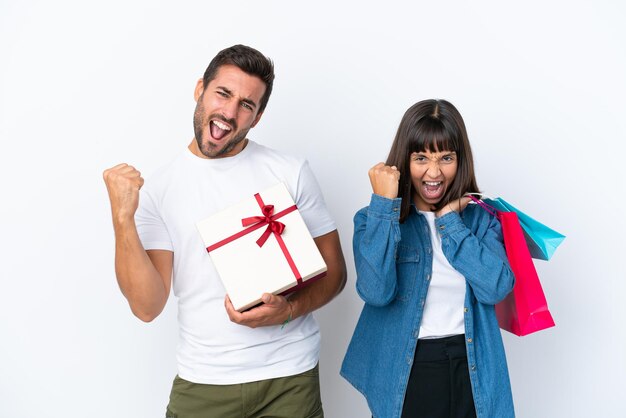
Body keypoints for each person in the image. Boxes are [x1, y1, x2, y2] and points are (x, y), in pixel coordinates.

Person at [103, 44, 346, 418]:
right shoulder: (159, 190)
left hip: (290, 378)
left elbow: (335, 272)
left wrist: (289, 310)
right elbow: (147, 306)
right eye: (223, 93)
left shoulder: (290, 170)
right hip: (204, 381)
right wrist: (123, 218)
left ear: (258, 117)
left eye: (246, 105)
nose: (230, 113)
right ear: (200, 89)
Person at [340, 99, 515, 418]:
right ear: (404, 161)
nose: (434, 172)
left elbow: (496, 288)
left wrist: (449, 221)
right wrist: (383, 203)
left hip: (472, 364)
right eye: (421, 157)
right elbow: (376, 292)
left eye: (446, 157)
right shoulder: (373, 219)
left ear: (460, 160)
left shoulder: (481, 220)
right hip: (410, 368)